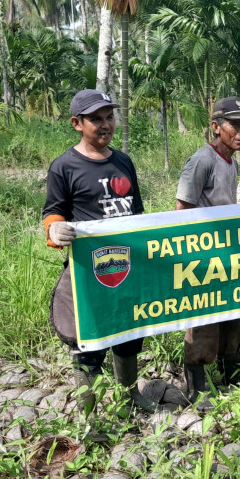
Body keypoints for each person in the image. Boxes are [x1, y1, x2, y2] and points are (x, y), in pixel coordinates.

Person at [44, 89, 156, 415]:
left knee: (129, 333)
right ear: (77, 123)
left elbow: (137, 212)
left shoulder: (123, 162)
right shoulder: (64, 166)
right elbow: (53, 212)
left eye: (109, 117)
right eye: (96, 119)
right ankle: (89, 415)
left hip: (128, 265)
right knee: (89, 341)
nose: (106, 125)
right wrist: (54, 231)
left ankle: (130, 397)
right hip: (91, 271)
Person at [176, 96, 240, 408]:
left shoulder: (231, 162)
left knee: (234, 315)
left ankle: (232, 377)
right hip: (203, 256)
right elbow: (182, 211)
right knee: (204, 321)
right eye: (235, 125)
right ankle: (197, 387)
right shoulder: (203, 160)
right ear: (215, 126)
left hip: (228, 255)